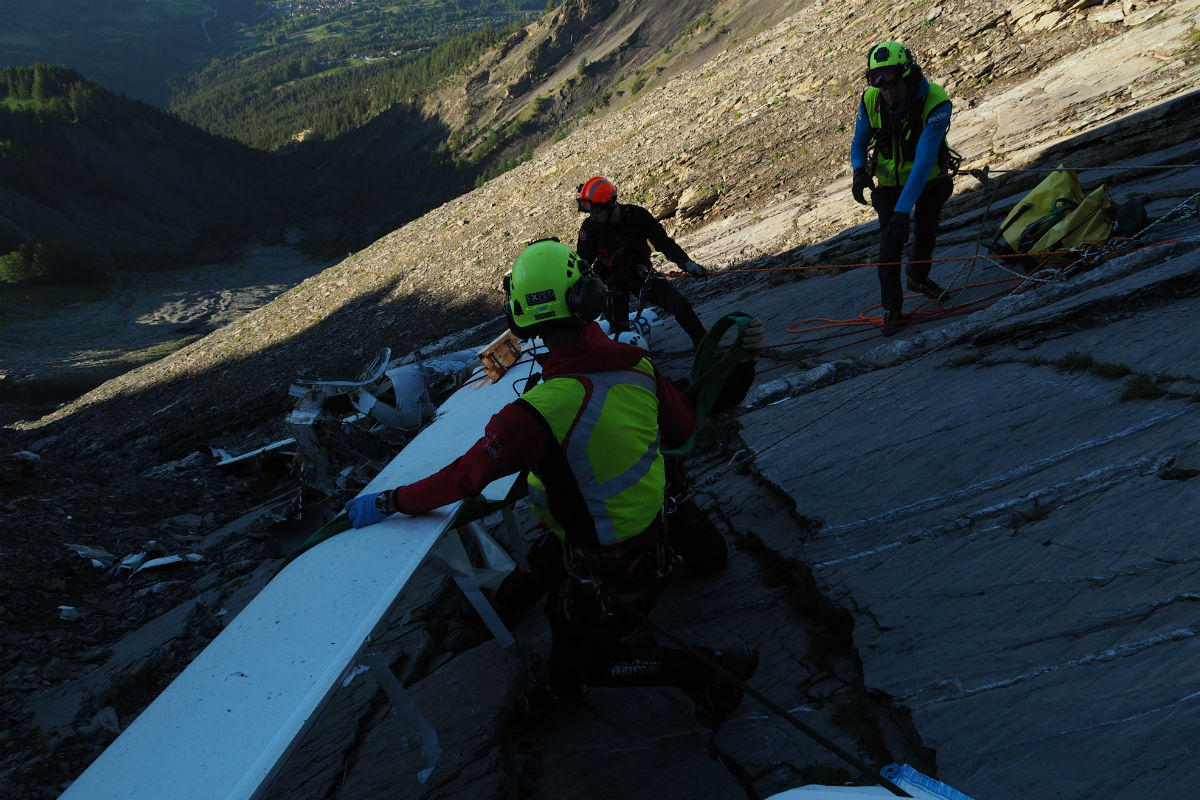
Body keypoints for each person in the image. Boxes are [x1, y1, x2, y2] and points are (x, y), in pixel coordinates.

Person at [344, 238, 759, 725]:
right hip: (650, 535)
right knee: (547, 572)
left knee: (585, 655)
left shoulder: (535, 413)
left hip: (608, 561)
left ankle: (713, 670)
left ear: (520, 318)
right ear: (588, 298)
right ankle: (541, 644)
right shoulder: (638, 367)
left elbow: (463, 478)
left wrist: (392, 501)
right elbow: (684, 428)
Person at [850, 41, 955, 336]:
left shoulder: (936, 103)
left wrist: (901, 211)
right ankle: (892, 310)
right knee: (889, 246)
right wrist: (859, 171)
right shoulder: (871, 99)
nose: (886, 93)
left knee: (925, 230)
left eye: (891, 84)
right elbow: (859, 141)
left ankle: (917, 278)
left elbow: (923, 161)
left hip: (930, 180)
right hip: (889, 185)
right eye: (879, 85)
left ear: (907, 75)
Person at [575, 176, 709, 348]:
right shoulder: (590, 229)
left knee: (680, 306)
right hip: (610, 284)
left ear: (610, 205)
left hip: (641, 275)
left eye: (596, 211)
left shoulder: (637, 216)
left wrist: (687, 264)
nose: (592, 216)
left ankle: (704, 346)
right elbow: (583, 264)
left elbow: (664, 243)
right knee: (620, 331)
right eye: (590, 212)